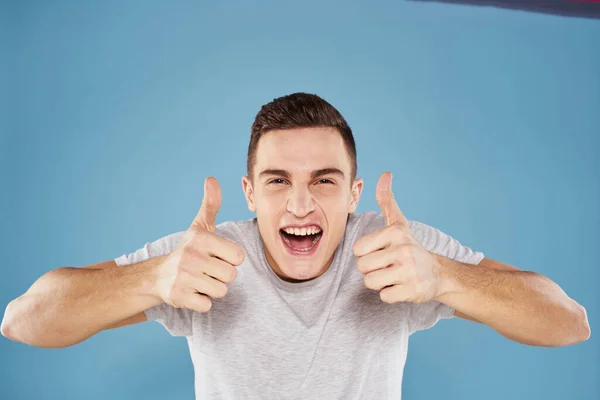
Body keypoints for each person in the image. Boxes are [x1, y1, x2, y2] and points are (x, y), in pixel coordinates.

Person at [1, 93, 591, 399]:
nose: (301, 205)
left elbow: (569, 322)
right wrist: (148, 279)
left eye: (324, 181)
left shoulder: (393, 250)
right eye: (279, 180)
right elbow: (22, 321)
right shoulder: (208, 257)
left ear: (355, 192)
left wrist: (446, 279)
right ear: (249, 194)